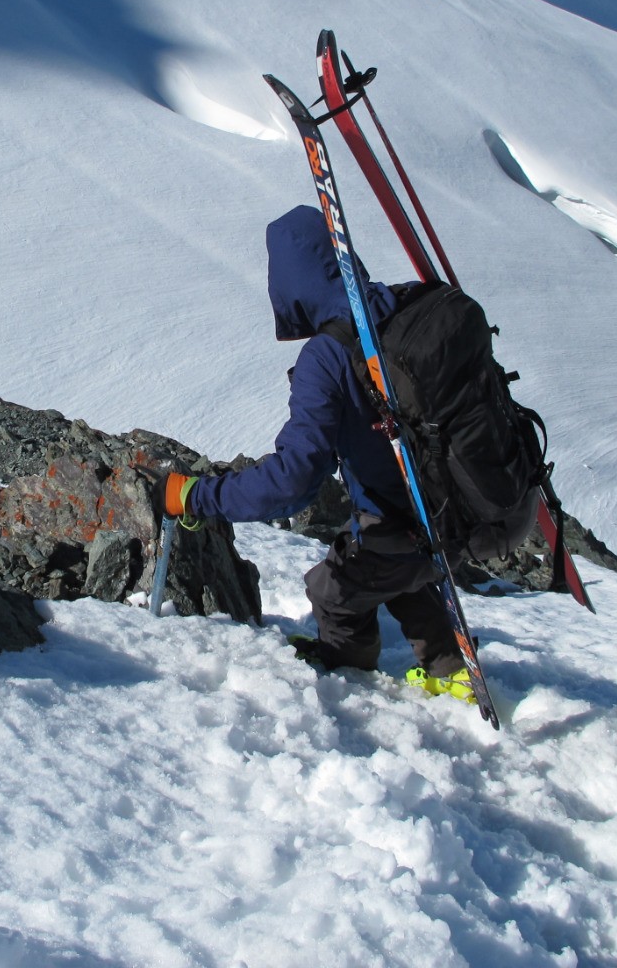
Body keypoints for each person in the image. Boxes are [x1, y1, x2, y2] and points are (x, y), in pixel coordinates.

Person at [160, 205, 473, 702]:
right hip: (462, 511)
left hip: (403, 525)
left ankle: (352, 673)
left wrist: (198, 497)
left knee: (332, 590)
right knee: (398, 565)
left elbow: (293, 481)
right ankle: (449, 664)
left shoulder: (328, 355)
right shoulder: (404, 308)